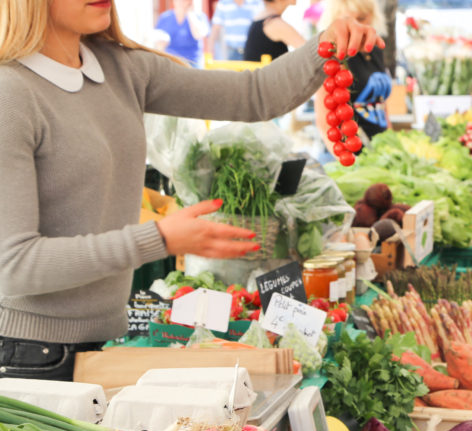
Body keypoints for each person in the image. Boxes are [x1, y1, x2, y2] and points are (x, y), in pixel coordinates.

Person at [0, 0, 383, 381]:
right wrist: (159, 238)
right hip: (28, 356)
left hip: (101, 345)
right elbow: (12, 266)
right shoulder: (10, 94)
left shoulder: (121, 67)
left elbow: (254, 94)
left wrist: (325, 45)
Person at [314, 0, 390, 144]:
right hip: (351, 147)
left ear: (373, 16)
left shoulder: (376, 50)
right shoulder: (334, 56)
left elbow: (382, 103)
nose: (356, 25)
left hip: (381, 147)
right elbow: (325, 120)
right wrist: (346, 159)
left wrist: (391, 138)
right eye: (347, 20)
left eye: (361, 18)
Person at [154, 0, 210, 68]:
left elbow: (198, 35)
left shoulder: (199, 16)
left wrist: (190, 14)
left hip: (192, 62)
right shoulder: (165, 17)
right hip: (171, 61)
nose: (180, 2)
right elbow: (157, 40)